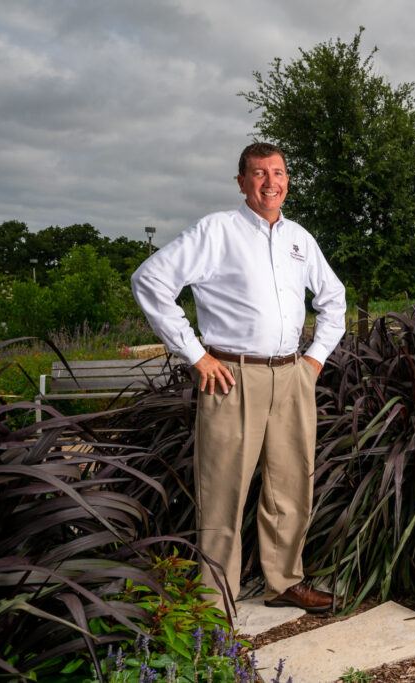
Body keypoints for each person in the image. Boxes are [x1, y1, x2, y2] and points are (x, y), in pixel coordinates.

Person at [132, 142, 345, 613]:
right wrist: (195, 355)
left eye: (279, 172)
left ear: (288, 178)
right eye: (258, 173)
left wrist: (314, 360)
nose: (271, 182)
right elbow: (150, 280)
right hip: (231, 378)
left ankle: (284, 582)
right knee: (224, 488)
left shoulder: (299, 239)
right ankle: (215, 599)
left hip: (292, 376)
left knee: (291, 485)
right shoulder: (216, 231)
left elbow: (334, 299)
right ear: (241, 182)